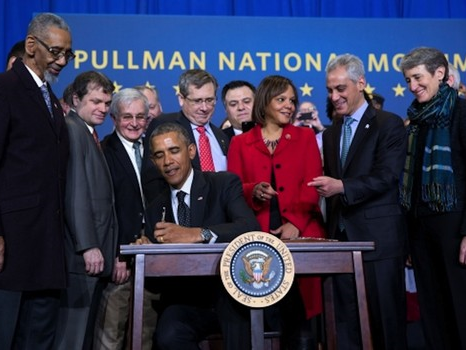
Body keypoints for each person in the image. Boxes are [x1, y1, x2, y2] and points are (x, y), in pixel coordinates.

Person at [0, 13, 73, 349]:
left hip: (45, 248)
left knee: (37, 339)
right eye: (55, 51)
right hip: (6, 246)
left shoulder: (52, 101)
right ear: (30, 45)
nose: (61, 61)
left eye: (68, 54)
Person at [309, 54, 408, 350]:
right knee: (346, 329)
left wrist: (341, 186)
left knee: (386, 327)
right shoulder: (331, 133)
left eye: (341, 89)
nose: (334, 96)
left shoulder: (387, 124)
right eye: (329, 90)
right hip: (341, 242)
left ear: (361, 83)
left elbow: (387, 176)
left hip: (378, 242)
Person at [400, 47, 466, 350]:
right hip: (422, 234)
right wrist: (410, 240)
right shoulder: (415, 120)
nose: (412, 86)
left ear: (440, 73)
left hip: (457, 233)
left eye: (417, 77)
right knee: (434, 317)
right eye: (408, 80)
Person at [139, 122, 260, 350]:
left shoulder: (222, 184)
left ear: (191, 151)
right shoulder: (155, 208)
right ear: (154, 162)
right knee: (168, 334)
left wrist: (198, 234)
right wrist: (147, 255)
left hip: (229, 294)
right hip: (185, 301)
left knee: (236, 313)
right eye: (159, 155)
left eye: (174, 151)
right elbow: (155, 285)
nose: (168, 162)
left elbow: (249, 229)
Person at [227, 75, 325, 349]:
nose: (289, 106)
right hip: (256, 238)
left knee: (301, 320)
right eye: (281, 99)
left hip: (302, 233)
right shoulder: (240, 143)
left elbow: (312, 184)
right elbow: (233, 191)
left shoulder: (306, 137)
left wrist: (295, 223)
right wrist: (252, 191)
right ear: (265, 102)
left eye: (292, 100)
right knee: (261, 317)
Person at [54, 71, 118, 350]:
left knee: (84, 338)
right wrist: (88, 245)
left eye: (106, 102)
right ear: (76, 99)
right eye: (95, 101)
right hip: (81, 257)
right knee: (72, 337)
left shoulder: (88, 132)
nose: (103, 108)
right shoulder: (72, 129)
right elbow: (75, 193)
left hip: (94, 257)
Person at [93, 88, 149, 350]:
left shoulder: (156, 150)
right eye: (128, 117)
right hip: (120, 259)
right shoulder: (103, 152)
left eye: (141, 117)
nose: (135, 123)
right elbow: (105, 210)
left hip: (152, 257)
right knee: (111, 334)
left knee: (145, 334)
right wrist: (118, 253)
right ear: (114, 118)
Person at [142, 69, 229, 203]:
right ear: (181, 99)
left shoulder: (222, 136)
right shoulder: (164, 125)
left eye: (209, 100)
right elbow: (152, 179)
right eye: (197, 101)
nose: (204, 107)